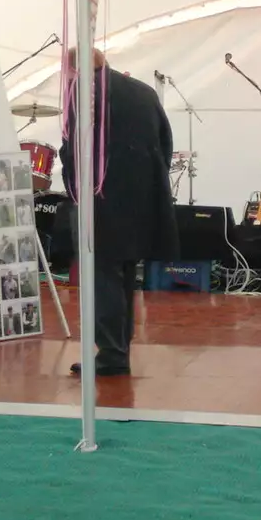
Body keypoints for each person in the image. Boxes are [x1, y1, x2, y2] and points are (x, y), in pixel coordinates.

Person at [60, 48, 178, 377]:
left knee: (103, 277)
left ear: (74, 70)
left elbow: (73, 150)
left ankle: (111, 353)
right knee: (125, 275)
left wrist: (74, 189)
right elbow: (165, 144)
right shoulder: (144, 91)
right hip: (142, 201)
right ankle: (120, 349)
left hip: (101, 201)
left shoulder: (81, 93)